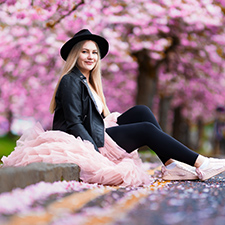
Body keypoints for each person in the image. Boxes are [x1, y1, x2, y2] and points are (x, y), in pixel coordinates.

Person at [2, 29, 225, 186]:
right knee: (146, 129)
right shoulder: (70, 80)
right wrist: (93, 149)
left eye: (94, 53)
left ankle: (171, 165)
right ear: (75, 55)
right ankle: (201, 163)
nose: (91, 57)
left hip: (96, 129)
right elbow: (74, 122)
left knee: (142, 111)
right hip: (83, 138)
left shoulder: (88, 81)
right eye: (85, 51)